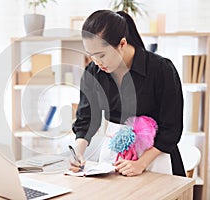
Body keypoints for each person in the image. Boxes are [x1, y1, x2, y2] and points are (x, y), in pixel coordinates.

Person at [70, 10, 186, 177]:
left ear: (122, 44)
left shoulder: (161, 69)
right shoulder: (94, 72)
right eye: (91, 56)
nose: (97, 63)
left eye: (101, 55)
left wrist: (141, 163)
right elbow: (86, 119)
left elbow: (172, 129)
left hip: (154, 157)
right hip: (113, 155)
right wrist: (78, 153)